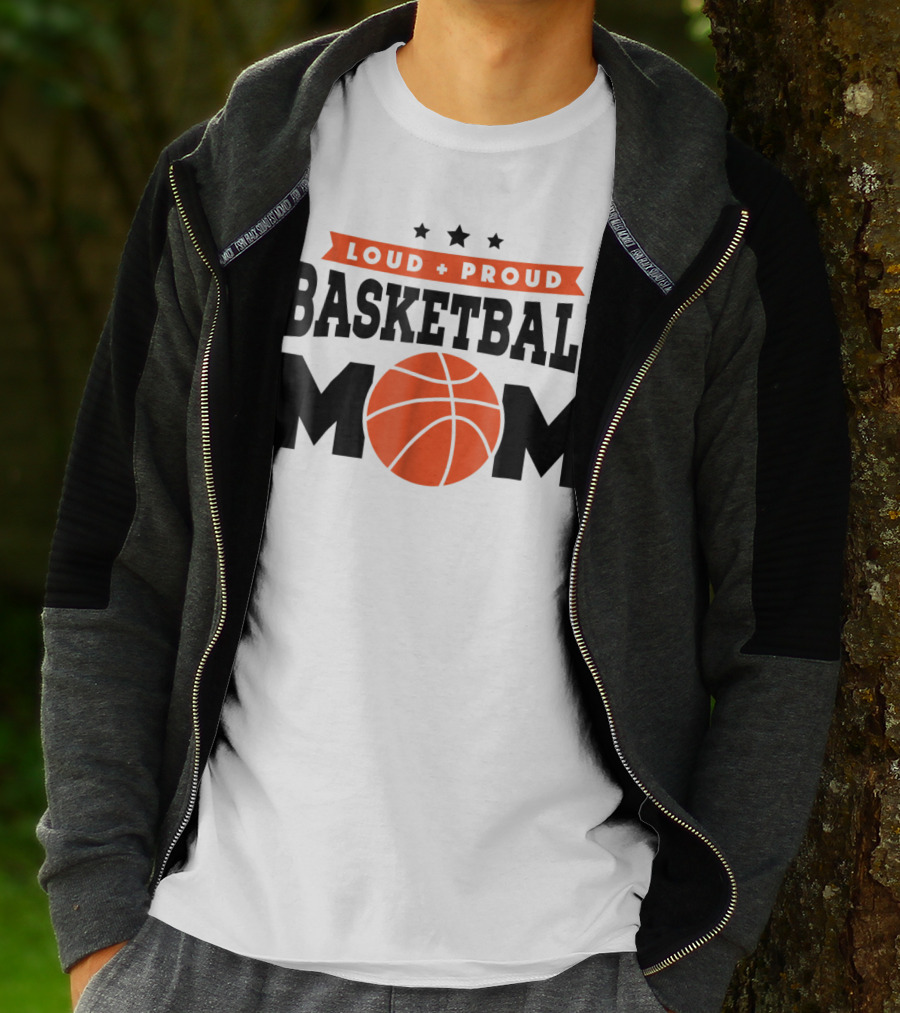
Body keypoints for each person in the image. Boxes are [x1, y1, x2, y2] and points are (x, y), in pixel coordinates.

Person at [37, 1, 849, 1011]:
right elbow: (113, 570)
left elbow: (782, 627)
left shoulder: (721, 226)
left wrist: (683, 968)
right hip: (206, 953)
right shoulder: (227, 180)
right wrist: (101, 926)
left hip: (568, 966)